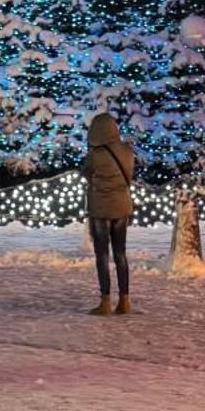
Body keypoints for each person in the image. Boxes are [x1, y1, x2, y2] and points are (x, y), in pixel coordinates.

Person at [81, 111, 135, 316]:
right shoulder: (127, 151)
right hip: (122, 208)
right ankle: (124, 300)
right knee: (121, 253)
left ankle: (105, 301)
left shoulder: (95, 155)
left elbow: (86, 172)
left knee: (102, 255)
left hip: (101, 210)